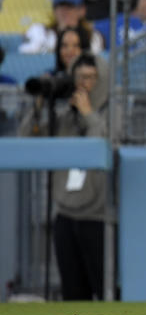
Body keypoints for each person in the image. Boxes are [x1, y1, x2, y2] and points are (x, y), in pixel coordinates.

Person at [20, 53, 107, 300]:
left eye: (90, 78)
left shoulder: (111, 113)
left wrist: (89, 114)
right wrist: (38, 106)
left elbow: (100, 147)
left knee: (104, 289)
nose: (83, 84)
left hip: (99, 216)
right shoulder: (64, 119)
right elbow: (26, 139)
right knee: (73, 292)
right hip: (65, 214)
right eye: (79, 77)